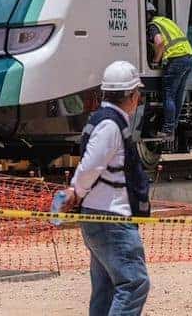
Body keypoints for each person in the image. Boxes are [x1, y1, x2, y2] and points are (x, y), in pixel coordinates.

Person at [60, 61, 150, 315]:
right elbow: (91, 165)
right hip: (111, 217)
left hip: (99, 216)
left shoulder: (102, 120)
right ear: (132, 96)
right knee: (134, 283)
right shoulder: (110, 125)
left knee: (106, 286)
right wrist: (75, 190)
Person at [146, 2, 192, 140]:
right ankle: (171, 129)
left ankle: (167, 130)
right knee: (178, 96)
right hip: (188, 58)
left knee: (169, 94)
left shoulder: (153, 26)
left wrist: (156, 60)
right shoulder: (165, 21)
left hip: (176, 60)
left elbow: (160, 43)